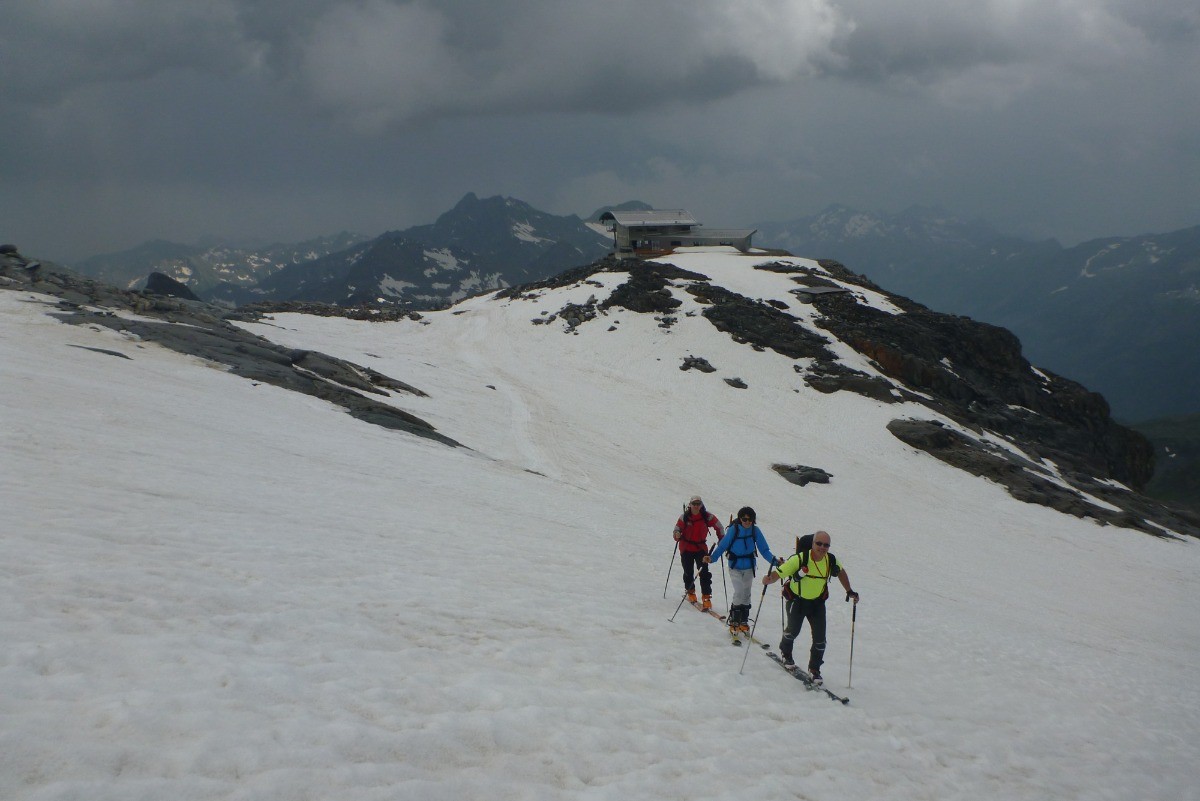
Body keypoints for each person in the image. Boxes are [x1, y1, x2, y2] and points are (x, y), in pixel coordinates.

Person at [761, 530, 858, 684]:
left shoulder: (830, 560)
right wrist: (769, 579)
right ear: (812, 543)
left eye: (826, 545)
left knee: (820, 639)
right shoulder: (800, 559)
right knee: (793, 631)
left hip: (817, 603)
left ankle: (814, 669)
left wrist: (849, 591)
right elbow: (780, 572)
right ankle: (786, 653)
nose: (822, 547)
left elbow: (841, 572)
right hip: (797, 600)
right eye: (819, 543)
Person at [704, 506, 778, 635]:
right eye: (744, 519)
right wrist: (712, 558)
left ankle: (743, 621)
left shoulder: (755, 531)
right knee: (738, 592)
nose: (747, 522)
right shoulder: (734, 530)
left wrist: (776, 562)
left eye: (750, 520)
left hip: (749, 566)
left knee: (746, 594)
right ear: (740, 519)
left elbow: (764, 550)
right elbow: (722, 546)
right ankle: (734, 621)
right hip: (735, 566)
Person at [672, 496, 722, 611]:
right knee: (688, 571)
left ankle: (706, 597)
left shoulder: (706, 516)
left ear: (701, 505)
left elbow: (718, 526)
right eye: (694, 503)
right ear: (690, 504)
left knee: (704, 572)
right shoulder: (684, 517)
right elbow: (676, 529)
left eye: (698, 503)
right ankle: (690, 592)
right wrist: (677, 534)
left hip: (700, 548)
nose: (696, 506)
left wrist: (722, 539)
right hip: (686, 548)